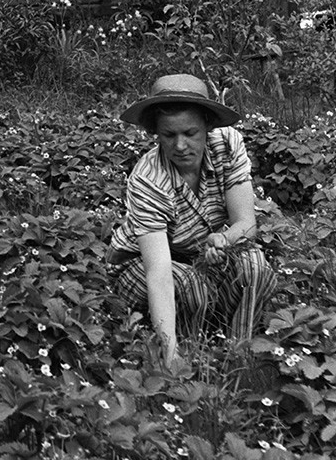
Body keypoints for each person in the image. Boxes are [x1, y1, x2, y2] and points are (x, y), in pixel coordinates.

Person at [109, 74, 277, 363]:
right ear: (156, 133)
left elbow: (246, 223)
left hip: (196, 254)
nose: (180, 145)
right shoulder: (149, 179)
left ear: (208, 126)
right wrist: (169, 349)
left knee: (254, 266)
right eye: (168, 135)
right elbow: (159, 273)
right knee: (191, 285)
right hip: (142, 263)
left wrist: (225, 239)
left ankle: (237, 350)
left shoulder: (227, 145)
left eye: (190, 133)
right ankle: (184, 352)